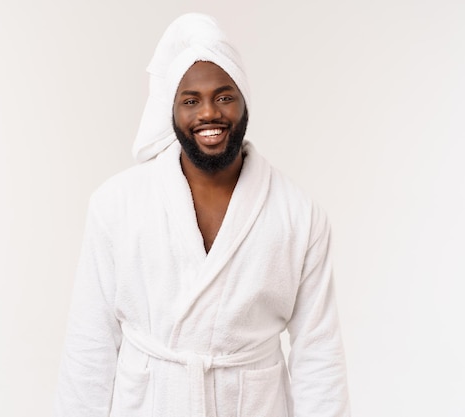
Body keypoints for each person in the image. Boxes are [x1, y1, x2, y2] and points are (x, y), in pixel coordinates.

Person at [55, 13, 350, 417]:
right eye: (190, 100)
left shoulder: (299, 215)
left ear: (245, 101)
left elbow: (319, 354)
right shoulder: (116, 204)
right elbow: (90, 344)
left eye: (224, 96)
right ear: (171, 112)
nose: (208, 113)